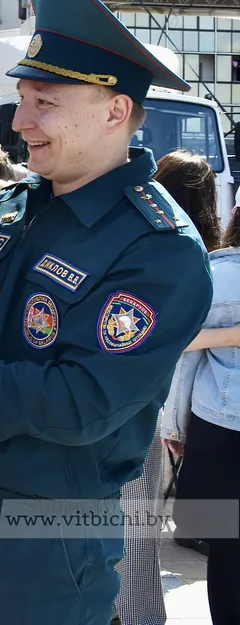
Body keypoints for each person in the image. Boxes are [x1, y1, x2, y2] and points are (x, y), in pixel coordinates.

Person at [0, 0, 212, 625]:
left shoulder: (158, 248)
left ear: (115, 111)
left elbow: (80, 403)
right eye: (21, 98)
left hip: (39, 541)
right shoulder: (10, 204)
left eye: (45, 101)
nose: (21, 119)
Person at [114, 150, 221, 625]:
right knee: (138, 532)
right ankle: (137, 616)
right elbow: (180, 339)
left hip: (120, 399)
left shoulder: (137, 242)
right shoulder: (199, 256)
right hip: (157, 409)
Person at [163, 182, 240, 624]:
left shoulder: (218, 274)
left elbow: (182, 355)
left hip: (220, 431)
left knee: (226, 554)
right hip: (218, 428)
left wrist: (175, 427)